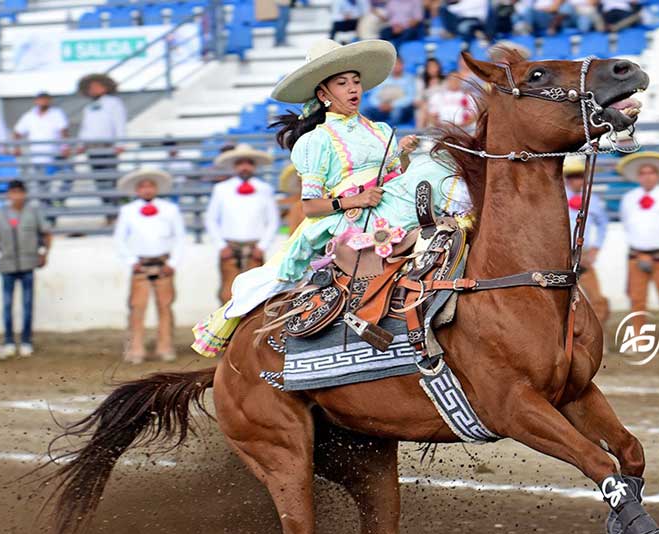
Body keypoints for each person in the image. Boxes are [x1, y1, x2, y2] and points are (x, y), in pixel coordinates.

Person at [192, 38, 471, 357]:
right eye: (342, 83)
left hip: (390, 202)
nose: (353, 88)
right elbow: (311, 207)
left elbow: (395, 177)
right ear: (324, 95)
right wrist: (357, 200)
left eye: (355, 81)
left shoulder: (381, 130)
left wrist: (403, 156)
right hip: (353, 218)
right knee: (432, 169)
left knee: (435, 160)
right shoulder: (316, 141)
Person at [113, 167, 186, 364]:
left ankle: (165, 347)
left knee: (165, 307)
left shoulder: (170, 209)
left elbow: (179, 237)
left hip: (163, 264)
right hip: (141, 265)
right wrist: (131, 261)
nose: (146, 190)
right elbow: (120, 239)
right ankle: (135, 349)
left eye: (150, 185)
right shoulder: (128, 211)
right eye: (142, 186)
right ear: (137, 190)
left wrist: (173, 262)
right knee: (137, 308)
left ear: (156, 188)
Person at [616, 151, 659, 353]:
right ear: (638, 177)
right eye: (643, 173)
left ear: (658, 175)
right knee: (637, 299)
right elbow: (627, 223)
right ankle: (638, 340)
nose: (647, 177)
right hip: (636, 255)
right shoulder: (629, 198)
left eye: (651, 173)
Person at [0, 179, 52, 357]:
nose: (16, 196)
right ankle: (9, 341)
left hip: (28, 265)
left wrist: (44, 254)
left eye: (20, 192)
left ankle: (27, 341)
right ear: (8, 194)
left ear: (24, 194)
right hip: (7, 265)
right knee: (7, 305)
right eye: (13, 192)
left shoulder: (34, 213)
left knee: (28, 305)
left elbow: (47, 234)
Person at [205, 143, 281, 304]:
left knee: (256, 293)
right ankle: (225, 328)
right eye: (240, 163)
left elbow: (273, 220)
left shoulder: (264, 189)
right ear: (234, 166)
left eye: (248, 163)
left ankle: (251, 329)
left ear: (254, 166)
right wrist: (221, 246)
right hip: (229, 247)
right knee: (227, 293)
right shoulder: (221, 189)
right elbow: (211, 219)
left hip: (255, 247)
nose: (244, 167)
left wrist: (262, 246)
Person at [563, 157, 609, 327]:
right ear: (567, 179)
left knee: (596, 298)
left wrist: (596, 248)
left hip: (583, 253)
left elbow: (603, 224)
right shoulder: (557, 198)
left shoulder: (593, 200)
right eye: (573, 176)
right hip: (562, 254)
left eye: (580, 176)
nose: (577, 180)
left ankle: (598, 335)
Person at [76, 73, 127, 217]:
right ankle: (107, 212)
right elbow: (85, 128)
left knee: (110, 180)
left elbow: (119, 123)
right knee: (99, 181)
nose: (93, 90)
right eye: (91, 87)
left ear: (105, 88)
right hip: (92, 148)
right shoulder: (88, 107)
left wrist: (120, 142)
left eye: (97, 87)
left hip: (108, 147)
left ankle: (115, 213)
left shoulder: (113, 102)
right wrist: (81, 144)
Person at [13, 92, 69, 206]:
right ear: (36, 101)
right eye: (41, 99)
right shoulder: (29, 116)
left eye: (46, 99)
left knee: (69, 175)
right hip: (38, 158)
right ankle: (48, 215)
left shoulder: (57, 113)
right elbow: (17, 132)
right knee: (43, 188)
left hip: (55, 156)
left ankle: (59, 199)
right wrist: (16, 147)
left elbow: (63, 131)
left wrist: (65, 147)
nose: (43, 102)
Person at [363, 56, 417, 126]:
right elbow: (373, 96)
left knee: (396, 112)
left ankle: (389, 132)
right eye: (394, 64)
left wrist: (392, 105)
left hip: (400, 108)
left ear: (402, 65)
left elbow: (410, 97)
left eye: (398, 64)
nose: (396, 67)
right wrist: (380, 105)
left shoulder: (409, 79)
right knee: (365, 111)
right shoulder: (384, 79)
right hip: (381, 107)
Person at [415, 57, 447, 128]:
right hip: (427, 107)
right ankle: (420, 134)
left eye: (434, 66)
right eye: (430, 66)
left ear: (439, 67)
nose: (432, 69)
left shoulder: (445, 82)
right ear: (426, 68)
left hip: (441, 105)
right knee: (422, 110)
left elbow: (447, 96)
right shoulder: (421, 82)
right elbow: (417, 100)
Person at [277, 163, 305, 235]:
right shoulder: (282, 202)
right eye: (300, 180)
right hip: (286, 237)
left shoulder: (321, 200)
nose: (302, 182)